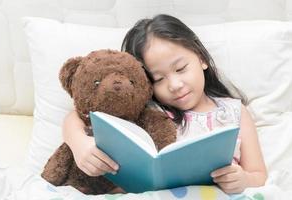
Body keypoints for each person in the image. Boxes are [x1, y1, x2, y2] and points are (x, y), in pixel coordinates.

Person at [62, 14, 267, 194]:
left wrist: (243, 180)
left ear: (202, 58)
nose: (175, 85)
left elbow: (259, 175)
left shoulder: (233, 112)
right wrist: (79, 144)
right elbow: (78, 116)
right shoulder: (149, 109)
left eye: (181, 68)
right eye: (158, 79)